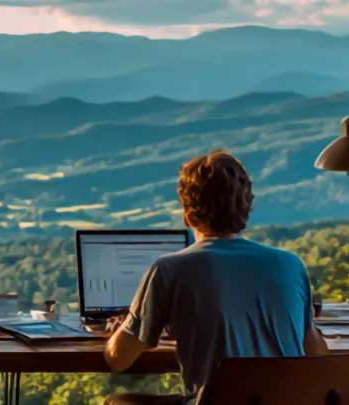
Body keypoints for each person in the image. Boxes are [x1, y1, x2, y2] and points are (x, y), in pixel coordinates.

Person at [100, 149, 330, 405]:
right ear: (247, 209)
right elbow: (317, 353)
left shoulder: (169, 270)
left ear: (187, 215)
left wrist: (121, 328)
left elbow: (118, 359)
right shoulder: (290, 264)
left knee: (116, 402)